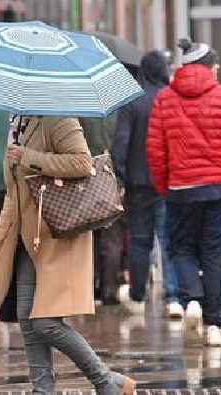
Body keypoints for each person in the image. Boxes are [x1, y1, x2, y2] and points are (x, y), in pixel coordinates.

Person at [0, 116, 135, 394]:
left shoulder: (58, 119)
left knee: (45, 322)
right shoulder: (18, 124)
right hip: (28, 240)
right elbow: (13, 194)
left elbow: (82, 163)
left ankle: (105, 382)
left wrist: (29, 157)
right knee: (27, 321)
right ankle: (44, 390)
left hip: (57, 235)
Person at [146, 39, 221, 347]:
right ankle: (214, 325)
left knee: (181, 248)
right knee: (217, 254)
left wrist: (165, 187)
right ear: (209, 67)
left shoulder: (164, 100)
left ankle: (192, 298)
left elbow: (155, 151)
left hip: (181, 190)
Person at [112, 50, 182, 318]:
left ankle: (138, 295)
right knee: (168, 240)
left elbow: (121, 141)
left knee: (140, 241)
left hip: (138, 183)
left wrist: (119, 175)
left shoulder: (132, 100)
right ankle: (173, 296)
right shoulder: (171, 98)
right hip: (168, 182)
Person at [79, 112, 124, 305]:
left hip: (86, 178)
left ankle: (90, 289)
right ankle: (110, 290)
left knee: (89, 236)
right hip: (112, 178)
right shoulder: (119, 113)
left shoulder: (81, 113)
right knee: (112, 238)